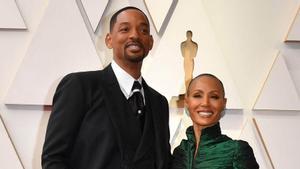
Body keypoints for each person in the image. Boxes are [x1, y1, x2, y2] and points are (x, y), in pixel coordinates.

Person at [42, 6, 171, 169]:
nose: (135, 35)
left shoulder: (159, 103)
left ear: (151, 42)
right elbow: (53, 158)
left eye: (143, 30)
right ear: (109, 40)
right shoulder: (80, 86)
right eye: (125, 29)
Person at [171, 73, 259, 169]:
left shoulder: (237, 150)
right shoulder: (180, 152)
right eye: (197, 95)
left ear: (223, 103)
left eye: (214, 97)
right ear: (187, 102)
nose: (205, 103)